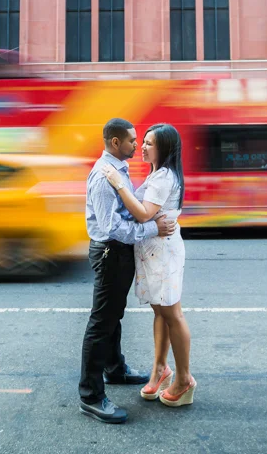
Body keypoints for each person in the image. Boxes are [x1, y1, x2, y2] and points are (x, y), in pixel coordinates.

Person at [78, 118, 177, 424]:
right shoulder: (103, 177)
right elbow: (112, 227)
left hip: (118, 254)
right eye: (134, 141)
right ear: (116, 143)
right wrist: (152, 228)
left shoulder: (118, 169)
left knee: (113, 315)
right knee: (102, 321)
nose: (138, 145)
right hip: (110, 253)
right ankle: (91, 396)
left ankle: (114, 369)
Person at [102, 123, 196, 408]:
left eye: (149, 143)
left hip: (163, 252)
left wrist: (118, 183)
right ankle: (160, 369)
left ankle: (184, 379)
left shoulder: (164, 177)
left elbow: (143, 213)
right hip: (153, 250)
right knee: (160, 310)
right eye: (141, 141)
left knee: (172, 313)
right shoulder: (158, 173)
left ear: (164, 148)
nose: (141, 146)